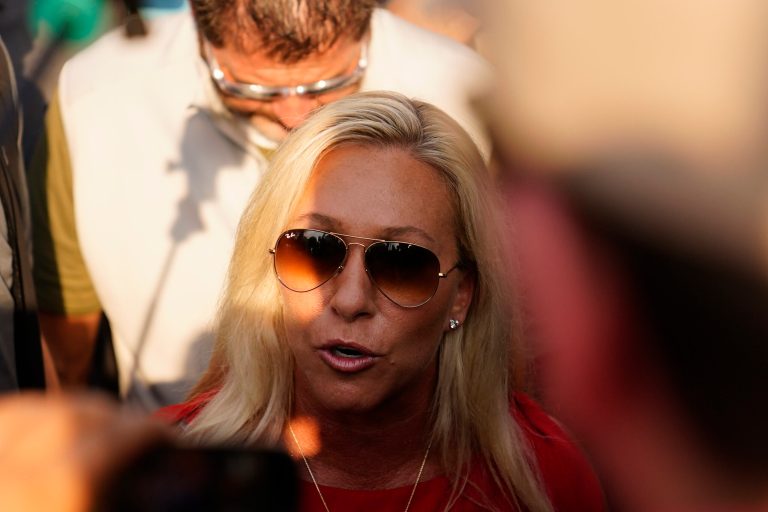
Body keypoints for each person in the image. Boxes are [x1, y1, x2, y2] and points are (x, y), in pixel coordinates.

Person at [28, 0, 492, 410]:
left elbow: (508, 326)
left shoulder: (467, 92)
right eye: (255, 90)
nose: (295, 115)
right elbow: (67, 337)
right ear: (196, 19)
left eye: (331, 81)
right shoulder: (95, 96)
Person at [159, 92, 605, 511]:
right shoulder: (169, 470)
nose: (351, 300)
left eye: (401, 263)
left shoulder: (544, 477)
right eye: (315, 248)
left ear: (462, 296)